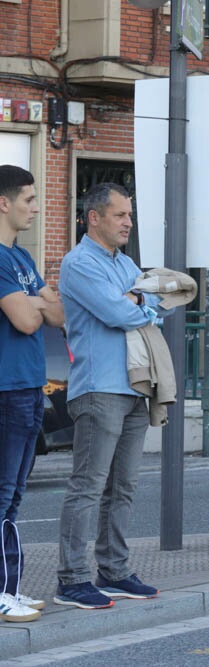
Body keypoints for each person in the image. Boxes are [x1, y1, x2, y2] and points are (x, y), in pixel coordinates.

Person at [55, 183, 165, 610]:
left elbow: (160, 299)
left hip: (134, 388)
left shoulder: (125, 263)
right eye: (120, 215)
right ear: (94, 217)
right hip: (99, 387)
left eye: (130, 216)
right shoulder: (79, 263)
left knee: (124, 488)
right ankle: (72, 578)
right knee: (87, 486)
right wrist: (140, 302)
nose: (128, 223)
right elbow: (118, 312)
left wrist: (139, 299)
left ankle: (114, 571)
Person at [0, 165, 65, 622]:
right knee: (2, 496)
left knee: (15, 496)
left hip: (27, 389)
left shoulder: (20, 258)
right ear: (3, 202)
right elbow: (26, 321)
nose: (36, 207)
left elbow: (57, 314)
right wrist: (37, 304)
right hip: (5, 392)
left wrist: (37, 302)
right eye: (29, 199)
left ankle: (9, 588)